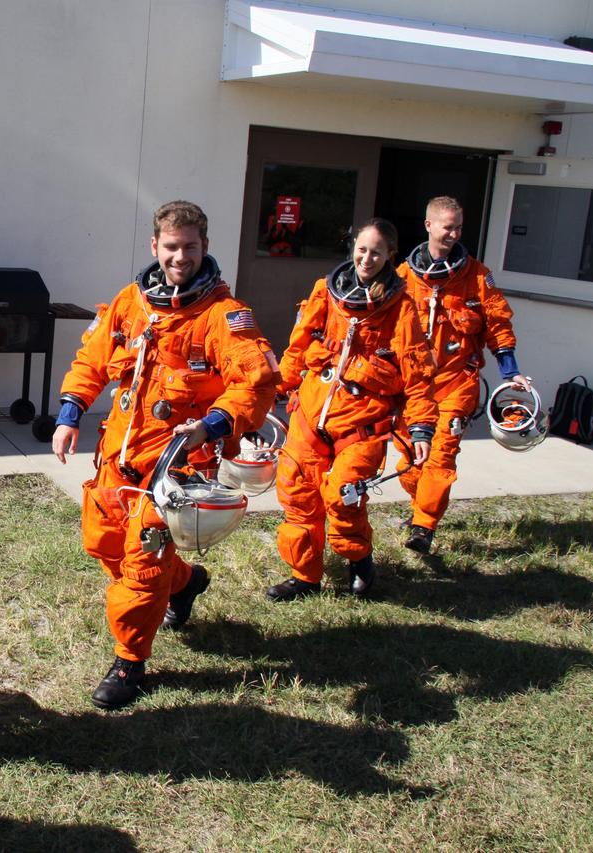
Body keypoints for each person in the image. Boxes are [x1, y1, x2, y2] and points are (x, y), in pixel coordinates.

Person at [52, 200, 278, 710]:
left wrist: (214, 424)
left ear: (205, 247)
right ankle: (187, 583)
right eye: (171, 247)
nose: (180, 257)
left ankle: (129, 661)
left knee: (143, 564)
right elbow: (91, 359)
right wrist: (70, 413)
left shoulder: (224, 316)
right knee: (105, 544)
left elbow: (257, 383)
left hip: (177, 462)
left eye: (190, 247)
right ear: (155, 246)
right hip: (119, 454)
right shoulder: (132, 302)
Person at [268, 218, 436, 601]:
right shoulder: (325, 293)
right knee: (297, 495)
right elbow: (297, 348)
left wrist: (421, 426)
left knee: (342, 496)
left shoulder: (400, 306)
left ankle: (359, 559)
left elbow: (418, 370)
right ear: (352, 248)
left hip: (362, 423)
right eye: (362, 249)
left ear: (390, 256)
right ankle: (305, 577)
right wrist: (274, 393)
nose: (367, 257)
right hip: (312, 414)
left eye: (377, 252)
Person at [395, 196, 529, 554]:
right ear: (429, 226)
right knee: (411, 460)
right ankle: (418, 505)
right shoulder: (404, 278)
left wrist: (510, 372)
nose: (453, 233)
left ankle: (424, 526)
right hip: (413, 388)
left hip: (457, 384)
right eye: (447, 226)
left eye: (458, 227)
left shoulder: (478, 277)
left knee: (441, 456)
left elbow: (498, 325)